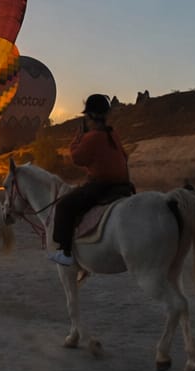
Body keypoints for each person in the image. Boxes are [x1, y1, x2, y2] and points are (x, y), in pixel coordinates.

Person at [49, 93, 136, 266]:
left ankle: (65, 252)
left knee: (64, 206)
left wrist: (78, 138)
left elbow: (77, 158)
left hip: (102, 185)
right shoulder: (113, 134)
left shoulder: (92, 137)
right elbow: (124, 157)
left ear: (88, 116)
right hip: (124, 186)